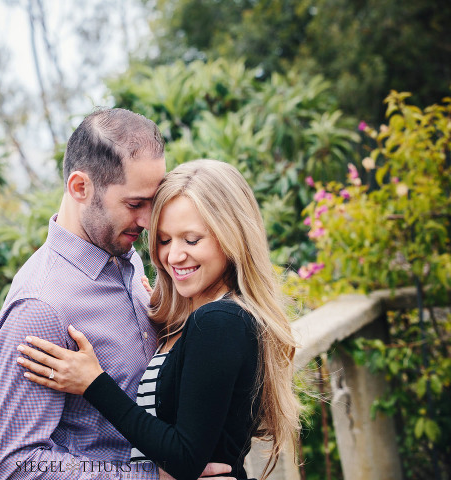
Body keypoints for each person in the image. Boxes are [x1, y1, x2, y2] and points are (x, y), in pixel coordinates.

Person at [17, 160, 301, 480]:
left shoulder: (219, 321)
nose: (174, 256)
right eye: (164, 240)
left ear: (231, 236)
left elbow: (184, 458)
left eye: (192, 240)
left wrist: (93, 383)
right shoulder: (202, 317)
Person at [0, 110, 233, 479]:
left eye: (154, 201)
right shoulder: (40, 306)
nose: (150, 221)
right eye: (135, 204)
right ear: (80, 188)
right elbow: (15, 465)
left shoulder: (126, 259)